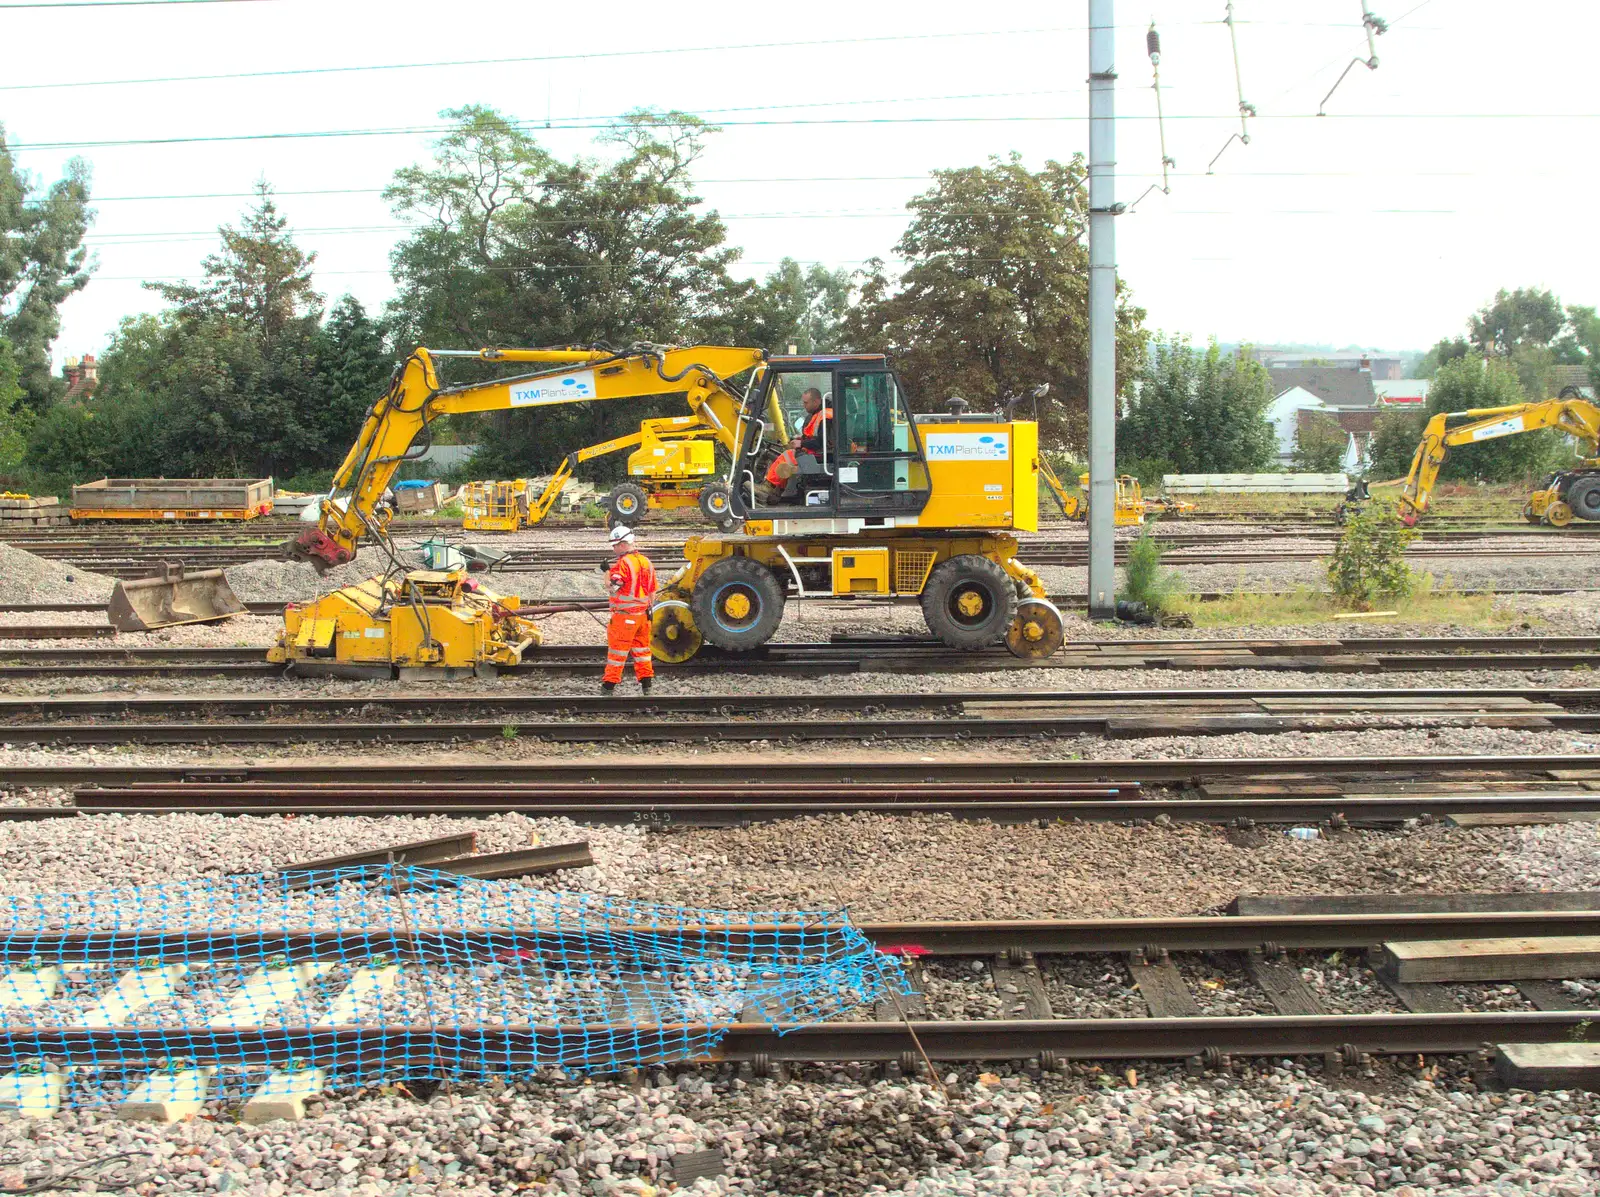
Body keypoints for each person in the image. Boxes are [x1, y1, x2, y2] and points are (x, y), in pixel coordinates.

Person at [603, 525, 657, 695]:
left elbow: (612, 587)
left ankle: (608, 687)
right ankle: (647, 686)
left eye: (615, 545)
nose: (614, 549)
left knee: (617, 653)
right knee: (642, 651)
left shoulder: (622, 564)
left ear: (623, 543)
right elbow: (652, 591)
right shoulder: (646, 562)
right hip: (643, 616)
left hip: (625, 618)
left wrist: (606, 571)